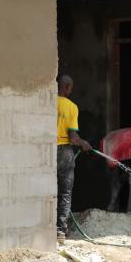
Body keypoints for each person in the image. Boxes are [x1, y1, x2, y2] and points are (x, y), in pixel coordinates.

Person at [57, 75, 91, 241]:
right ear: (67, 87)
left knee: (48, 190)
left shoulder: (46, 102)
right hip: (64, 153)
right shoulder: (71, 107)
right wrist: (83, 143)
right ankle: (60, 230)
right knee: (65, 192)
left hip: (46, 152)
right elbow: (72, 137)